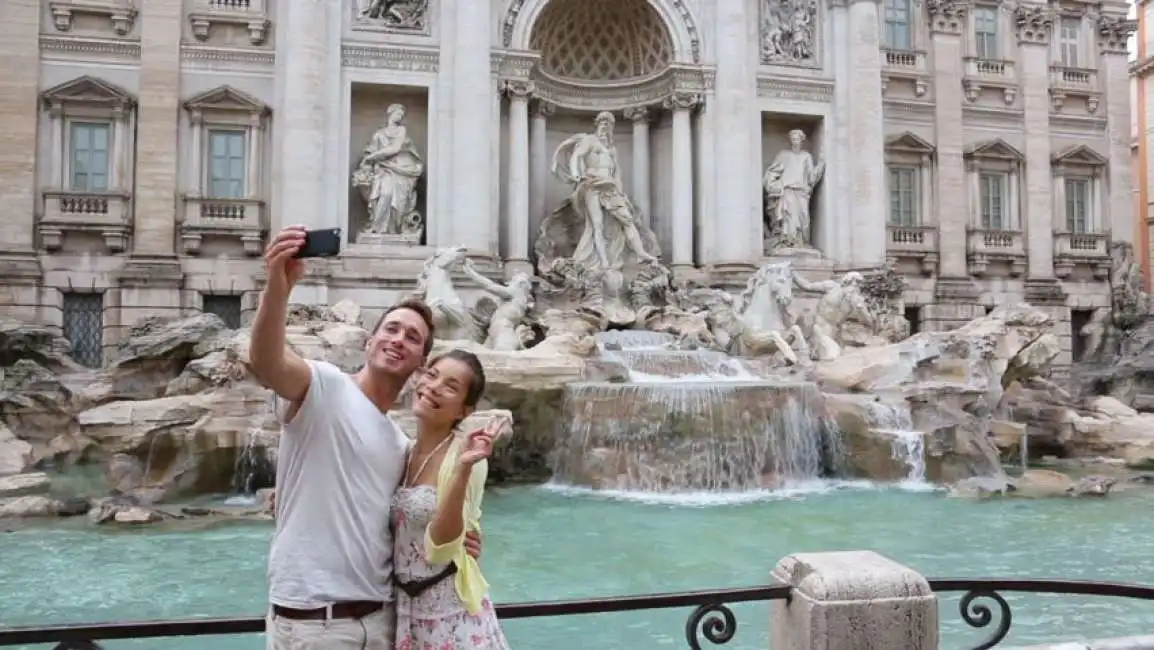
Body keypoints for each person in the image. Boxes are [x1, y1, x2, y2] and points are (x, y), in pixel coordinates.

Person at [252, 225, 481, 650]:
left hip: (383, 621)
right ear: (371, 338)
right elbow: (266, 362)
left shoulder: (400, 444)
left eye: (412, 338)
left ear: (421, 362)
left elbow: (399, 526)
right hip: (314, 624)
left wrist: (454, 543)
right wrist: (277, 288)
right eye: (391, 329)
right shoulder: (325, 386)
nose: (398, 340)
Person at [393, 348, 510, 649]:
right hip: (403, 611)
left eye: (451, 386)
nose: (433, 386)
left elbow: (442, 548)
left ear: (463, 411)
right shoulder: (401, 451)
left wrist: (462, 469)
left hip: (449, 616)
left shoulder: (468, 456)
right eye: (432, 375)